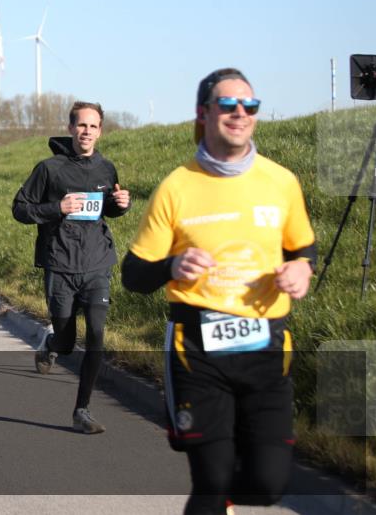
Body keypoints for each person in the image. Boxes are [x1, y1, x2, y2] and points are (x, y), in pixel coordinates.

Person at [120, 68, 316, 515]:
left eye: (249, 105)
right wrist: (172, 265)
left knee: (268, 484)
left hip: (267, 346)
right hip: (198, 351)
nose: (240, 113)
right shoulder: (177, 186)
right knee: (210, 479)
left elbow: (303, 247)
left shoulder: (281, 181)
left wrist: (302, 268)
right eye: (228, 105)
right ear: (203, 113)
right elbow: (134, 274)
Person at [12, 101, 130, 434]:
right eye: (81, 125)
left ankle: (82, 410)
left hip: (97, 262)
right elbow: (20, 210)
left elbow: (107, 208)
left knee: (96, 336)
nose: (86, 132)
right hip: (60, 263)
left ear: (100, 131)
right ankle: (50, 346)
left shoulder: (107, 169)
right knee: (66, 342)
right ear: (70, 129)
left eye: (93, 126)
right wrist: (56, 207)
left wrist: (122, 205)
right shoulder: (49, 169)